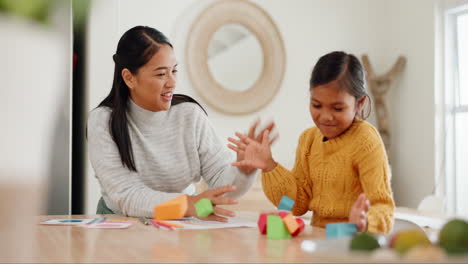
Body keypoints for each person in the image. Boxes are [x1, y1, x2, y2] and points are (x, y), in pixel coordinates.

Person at [87, 26, 273, 221]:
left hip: (181, 220)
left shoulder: (190, 115)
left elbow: (221, 185)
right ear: (129, 78)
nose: (172, 82)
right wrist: (187, 204)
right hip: (121, 224)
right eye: (161, 74)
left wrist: (243, 170)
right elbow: (127, 195)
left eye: (174, 70)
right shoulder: (103, 121)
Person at [228, 51, 395, 233]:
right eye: (316, 105)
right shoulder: (308, 139)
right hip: (319, 237)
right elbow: (298, 203)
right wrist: (270, 167)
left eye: (338, 108)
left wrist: (366, 222)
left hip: (353, 241)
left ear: (359, 104)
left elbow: (384, 207)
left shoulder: (366, 140)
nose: (325, 116)